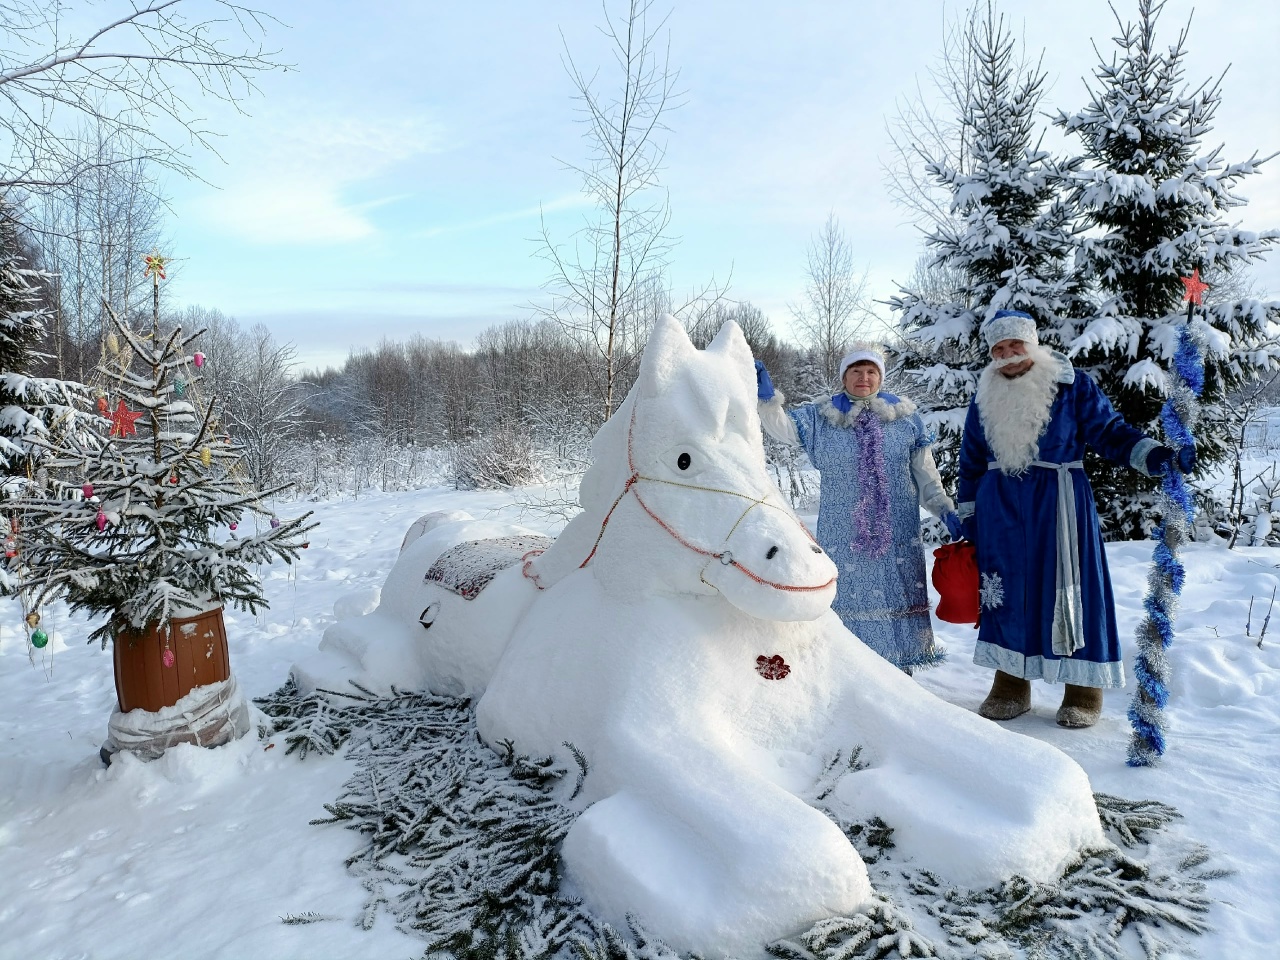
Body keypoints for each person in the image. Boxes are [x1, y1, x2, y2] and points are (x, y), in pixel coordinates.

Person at [956, 310, 1194, 728]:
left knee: (1071, 587)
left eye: (1016, 346)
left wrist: (1156, 455)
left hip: (1060, 501)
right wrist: (969, 512)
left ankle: (1084, 689)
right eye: (999, 349)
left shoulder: (1071, 384)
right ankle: (1011, 682)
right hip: (1001, 509)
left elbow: (1111, 431)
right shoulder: (985, 394)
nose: (1009, 355)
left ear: (1031, 344)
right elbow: (972, 459)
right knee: (1008, 591)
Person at [756, 345, 961, 672]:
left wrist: (943, 508)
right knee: (846, 599)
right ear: (844, 376)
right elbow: (782, 429)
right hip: (843, 532)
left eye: (871, 372)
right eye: (855, 371)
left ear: (880, 376)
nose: (863, 378)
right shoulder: (821, 417)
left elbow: (925, 473)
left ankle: (900, 671)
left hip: (897, 531)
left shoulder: (906, 418)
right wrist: (768, 400)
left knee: (897, 595)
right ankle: (849, 670)